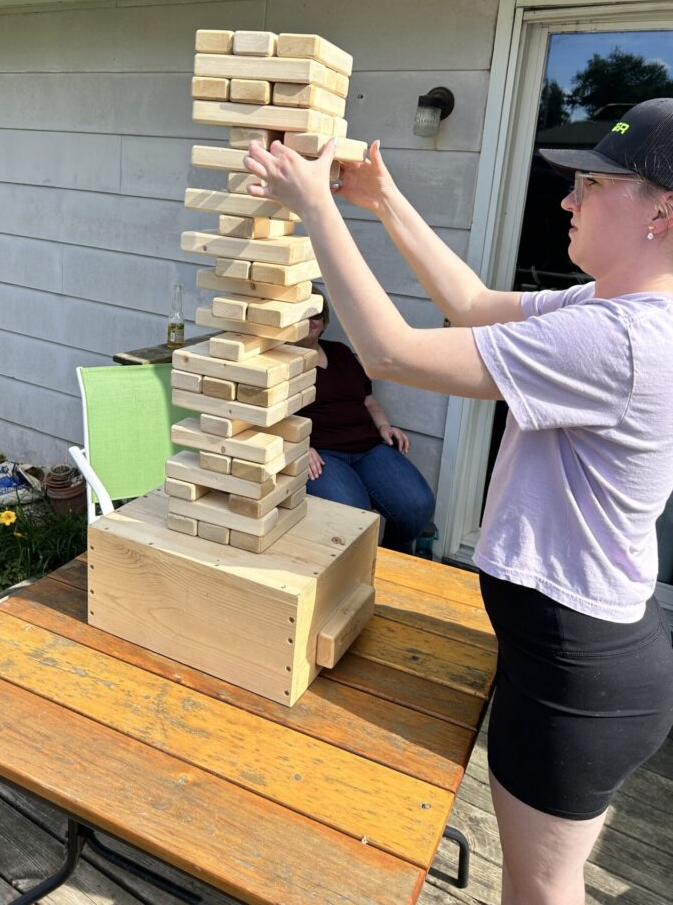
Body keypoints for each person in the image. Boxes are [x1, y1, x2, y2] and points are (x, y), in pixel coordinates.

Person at [244, 98, 673, 905]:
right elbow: (473, 303)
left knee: (540, 891)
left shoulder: (620, 341)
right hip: (580, 659)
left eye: (591, 183)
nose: (567, 202)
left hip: (574, 674)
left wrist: (311, 206)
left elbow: (388, 351)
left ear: (664, 211)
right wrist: (380, 199)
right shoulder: (612, 310)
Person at [294, 286, 435, 553]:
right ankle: (358, 568)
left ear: (324, 321)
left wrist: (384, 426)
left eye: (315, 314)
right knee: (353, 516)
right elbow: (270, 418)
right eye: (302, 314)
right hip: (322, 455)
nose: (310, 321)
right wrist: (298, 445)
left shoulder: (341, 353)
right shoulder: (277, 361)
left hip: (368, 447)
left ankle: (389, 557)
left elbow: (368, 400)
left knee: (417, 505)